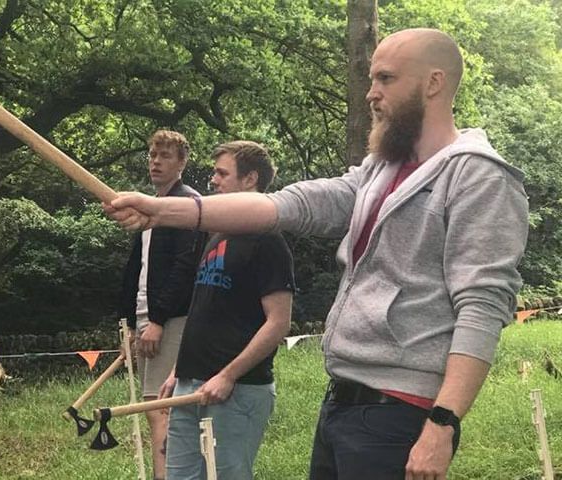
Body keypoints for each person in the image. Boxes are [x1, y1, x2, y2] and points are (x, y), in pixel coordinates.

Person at [106, 28, 529, 480]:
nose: (371, 93)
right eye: (371, 79)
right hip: (342, 402)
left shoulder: (479, 177)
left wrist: (442, 424)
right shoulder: (379, 170)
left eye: (385, 79)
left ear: (433, 83)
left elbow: (481, 308)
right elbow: (287, 206)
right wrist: (163, 210)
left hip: (402, 410)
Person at [158, 141, 295, 480]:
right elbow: (204, 308)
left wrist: (229, 375)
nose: (213, 180)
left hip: (237, 390)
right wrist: (179, 370)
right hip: (190, 384)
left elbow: (278, 323)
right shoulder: (215, 235)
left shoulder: (268, 240)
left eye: (222, 173)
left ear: (250, 179)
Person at [118, 130, 204, 480]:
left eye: (164, 156)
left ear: (182, 163)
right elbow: (139, 269)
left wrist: (158, 319)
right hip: (146, 316)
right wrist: (129, 320)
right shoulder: (151, 206)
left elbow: (185, 269)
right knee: (155, 403)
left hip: (172, 318)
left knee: (161, 406)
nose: (155, 161)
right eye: (152, 155)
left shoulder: (186, 206)